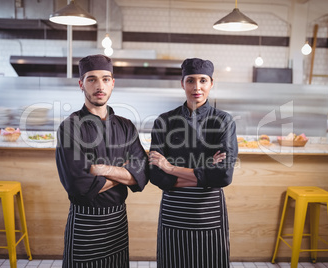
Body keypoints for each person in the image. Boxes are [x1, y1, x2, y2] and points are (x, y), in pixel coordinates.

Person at [55, 54, 149, 268]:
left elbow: (143, 170)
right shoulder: (70, 127)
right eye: (92, 79)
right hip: (84, 225)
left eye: (106, 79)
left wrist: (102, 170)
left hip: (117, 223)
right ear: (81, 84)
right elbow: (77, 185)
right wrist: (125, 172)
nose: (100, 85)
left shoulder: (126, 126)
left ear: (113, 83)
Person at [148, 58, 238, 268]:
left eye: (203, 81)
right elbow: (156, 175)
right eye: (190, 81)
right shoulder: (164, 121)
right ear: (182, 83)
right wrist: (205, 175)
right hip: (174, 214)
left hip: (208, 214)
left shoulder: (223, 121)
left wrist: (170, 168)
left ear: (211, 83)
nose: (197, 87)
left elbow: (223, 176)